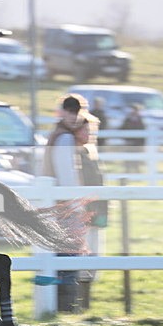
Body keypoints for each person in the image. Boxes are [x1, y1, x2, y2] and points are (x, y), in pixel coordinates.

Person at [42, 94, 102, 313]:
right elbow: (68, 177)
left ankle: (65, 304)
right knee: (68, 256)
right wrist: (77, 207)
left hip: (59, 205)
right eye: (70, 111)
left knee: (64, 255)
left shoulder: (59, 135)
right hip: (66, 207)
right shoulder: (65, 139)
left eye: (76, 111)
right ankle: (67, 306)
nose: (74, 115)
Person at [121, 103, 146, 173]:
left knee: (137, 157)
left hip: (137, 142)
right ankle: (128, 170)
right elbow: (122, 129)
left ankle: (137, 170)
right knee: (128, 157)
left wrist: (142, 142)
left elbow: (143, 131)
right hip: (129, 142)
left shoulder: (140, 120)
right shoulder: (128, 119)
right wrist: (126, 139)